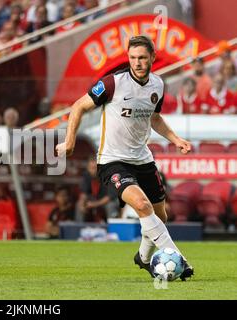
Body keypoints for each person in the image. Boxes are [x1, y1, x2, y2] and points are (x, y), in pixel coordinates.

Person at [56, 35, 194, 281]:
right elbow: (78, 106)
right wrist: (69, 141)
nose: (137, 63)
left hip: (143, 159)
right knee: (142, 205)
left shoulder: (158, 85)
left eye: (142, 58)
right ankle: (177, 258)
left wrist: (175, 139)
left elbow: (154, 118)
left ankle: (143, 257)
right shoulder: (112, 84)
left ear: (152, 57)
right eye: (133, 58)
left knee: (160, 217)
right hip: (112, 160)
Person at [76, 156, 115, 223]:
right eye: (90, 168)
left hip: (105, 201)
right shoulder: (86, 175)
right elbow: (84, 194)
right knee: (79, 204)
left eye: (94, 168)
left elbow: (109, 197)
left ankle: (112, 229)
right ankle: (79, 228)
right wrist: (82, 202)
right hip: (93, 199)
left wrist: (93, 204)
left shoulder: (108, 175)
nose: (93, 170)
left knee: (111, 206)